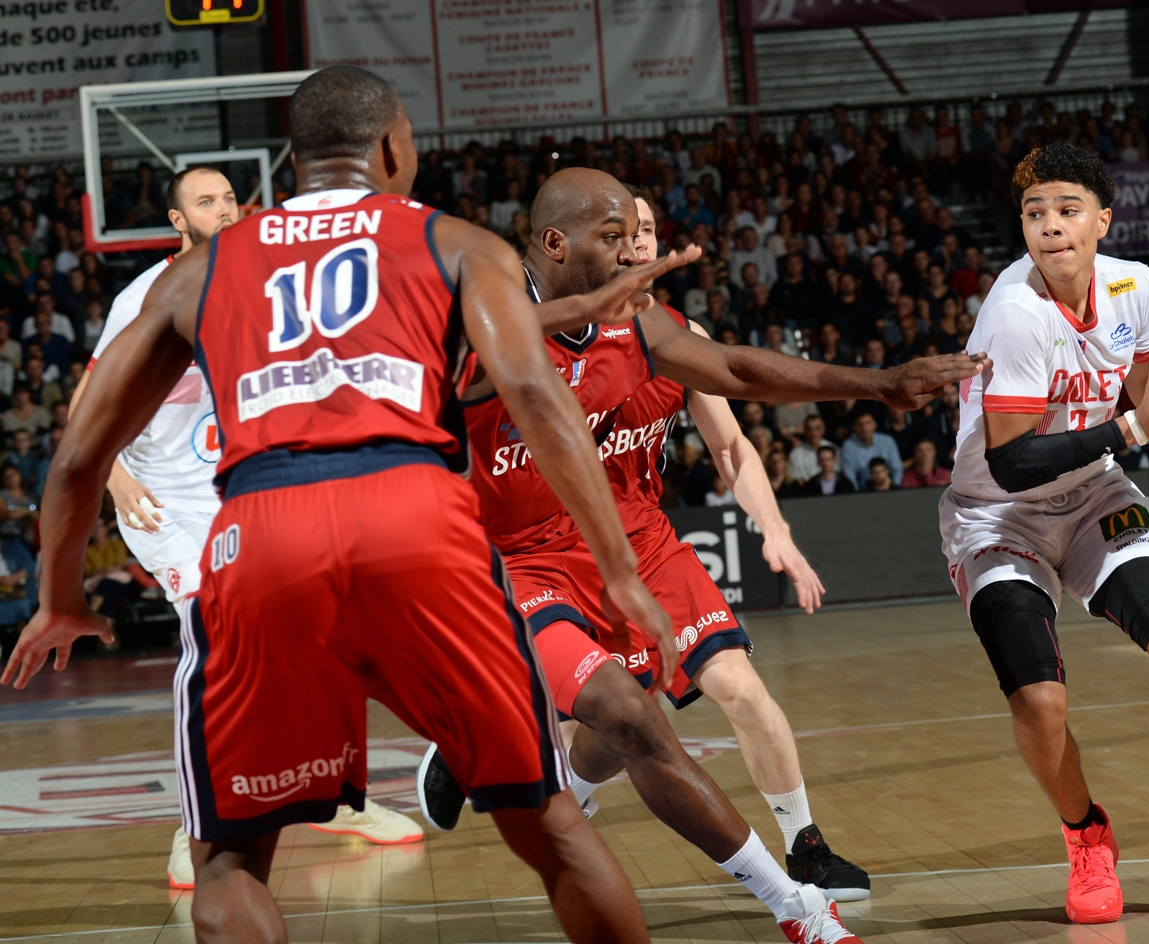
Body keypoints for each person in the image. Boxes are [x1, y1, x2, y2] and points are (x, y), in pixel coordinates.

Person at [5, 66, 673, 944]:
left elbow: (79, 456)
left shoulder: (201, 269)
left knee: (229, 863)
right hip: (416, 519)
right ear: (393, 148)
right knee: (548, 825)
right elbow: (537, 399)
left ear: (290, 160)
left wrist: (59, 598)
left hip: (260, 532)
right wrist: (619, 572)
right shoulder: (461, 244)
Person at [414, 169, 930, 941]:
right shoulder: (485, 309)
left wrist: (876, 382)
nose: (632, 252)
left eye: (636, 236)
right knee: (630, 714)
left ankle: (791, 849)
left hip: (633, 544)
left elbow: (732, 371)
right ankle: (792, 903)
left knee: (657, 713)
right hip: (522, 560)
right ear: (555, 243)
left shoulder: (640, 322)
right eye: (614, 237)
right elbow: (492, 357)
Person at [73, 165, 426, 886]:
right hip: (165, 498)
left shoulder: (267, 279)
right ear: (177, 222)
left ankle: (331, 797)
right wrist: (113, 474)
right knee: (217, 642)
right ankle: (195, 828)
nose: (225, 209)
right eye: (206, 202)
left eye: (231, 198)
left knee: (318, 636)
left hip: (246, 487)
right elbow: (87, 397)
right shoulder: (145, 296)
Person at [940, 143, 1149, 926]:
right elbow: (1013, 463)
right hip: (997, 516)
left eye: (1065, 209)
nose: (1048, 227)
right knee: (1037, 700)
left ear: (1102, 221)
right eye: (1032, 214)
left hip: (1091, 495)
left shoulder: (1133, 285)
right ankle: (1086, 836)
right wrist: (1131, 424)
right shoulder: (1014, 312)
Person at [840, 413, 902, 488]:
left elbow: (897, 469)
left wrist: (895, 488)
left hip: (887, 485)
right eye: (860, 424)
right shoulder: (849, 445)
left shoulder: (887, 441)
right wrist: (856, 494)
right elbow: (849, 475)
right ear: (855, 427)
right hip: (863, 488)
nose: (864, 428)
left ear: (875, 425)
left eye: (868, 423)